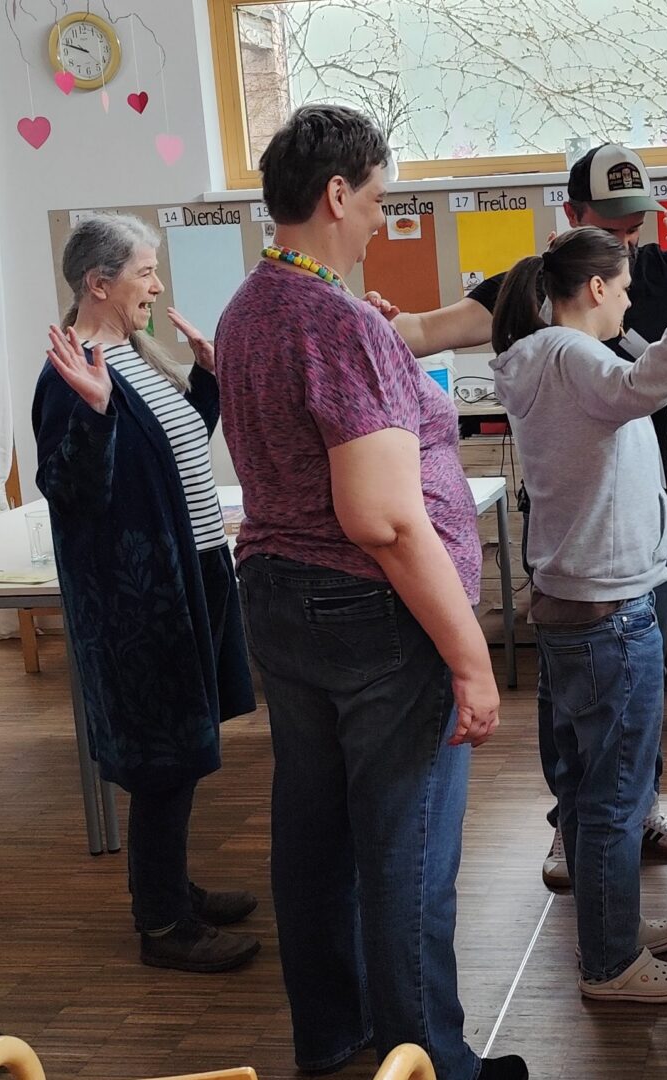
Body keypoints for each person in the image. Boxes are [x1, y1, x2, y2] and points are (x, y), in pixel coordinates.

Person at [381, 144, 667, 888]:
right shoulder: (533, 291)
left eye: (636, 223)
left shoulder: (655, 271)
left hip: (640, 531)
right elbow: (425, 332)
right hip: (576, 534)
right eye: (612, 225)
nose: (630, 239)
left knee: (636, 691)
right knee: (573, 695)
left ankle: (635, 810)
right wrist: (374, 323)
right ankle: (574, 828)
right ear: (573, 216)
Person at [215, 104, 522, 1080]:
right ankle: (432, 1063)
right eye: (381, 199)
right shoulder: (337, 322)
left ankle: (335, 1040)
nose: (386, 221)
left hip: (281, 597)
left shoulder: (249, 306)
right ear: (337, 194)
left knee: (315, 836)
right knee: (406, 849)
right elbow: (383, 520)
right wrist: (471, 661)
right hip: (370, 615)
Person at [489, 215, 667, 1001]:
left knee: (593, 790)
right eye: (623, 288)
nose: (628, 302)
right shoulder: (572, 356)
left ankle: (611, 924)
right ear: (594, 287)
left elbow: (634, 378)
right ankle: (611, 964)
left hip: (579, 603)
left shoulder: (542, 356)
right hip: (609, 613)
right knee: (615, 798)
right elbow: (648, 384)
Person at [32, 214, 260, 973]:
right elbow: (72, 492)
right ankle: (162, 925)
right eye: (144, 272)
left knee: (184, 752)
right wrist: (93, 415)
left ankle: (170, 888)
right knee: (166, 758)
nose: (157, 286)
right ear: (98, 284)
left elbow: (170, 453)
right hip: (142, 600)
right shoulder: (70, 373)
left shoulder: (135, 355)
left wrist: (210, 379)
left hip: (193, 575)